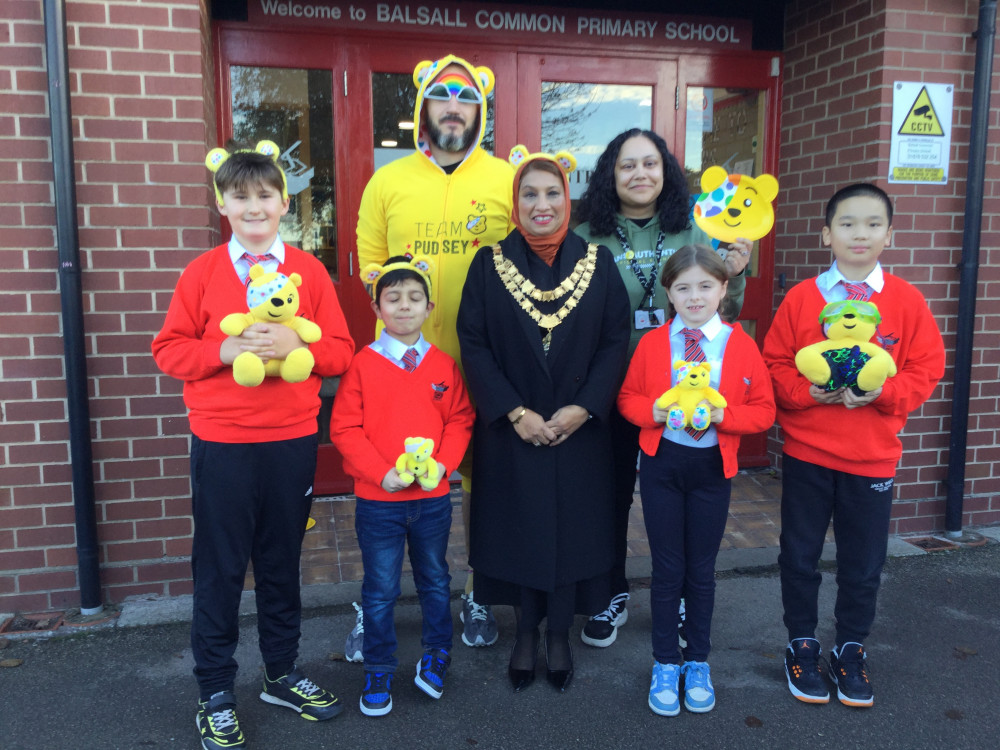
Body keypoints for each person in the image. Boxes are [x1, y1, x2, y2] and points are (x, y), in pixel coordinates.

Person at [152, 142, 355, 750]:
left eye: (265, 195)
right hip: (223, 443)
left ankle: (282, 673)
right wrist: (223, 350)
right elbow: (168, 349)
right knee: (218, 568)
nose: (253, 206)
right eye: (239, 196)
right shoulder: (203, 273)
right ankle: (215, 690)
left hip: (291, 441)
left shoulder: (310, 274)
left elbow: (341, 351)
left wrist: (298, 341)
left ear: (284, 202)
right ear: (222, 203)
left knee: (279, 563)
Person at [354, 53, 514, 652]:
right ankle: (373, 607)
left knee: (478, 482)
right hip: (403, 364)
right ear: (423, 106)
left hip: (481, 362)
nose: (453, 106)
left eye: (466, 97)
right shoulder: (387, 181)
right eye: (443, 94)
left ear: (480, 110)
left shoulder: (503, 179)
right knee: (387, 484)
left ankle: (476, 594)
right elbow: (371, 266)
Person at [762, 183, 944, 708]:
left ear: (889, 234)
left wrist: (884, 394)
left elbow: (926, 368)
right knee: (799, 556)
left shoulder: (906, 301)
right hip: (807, 455)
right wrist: (804, 392)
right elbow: (775, 362)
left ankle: (850, 648)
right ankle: (801, 643)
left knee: (863, 563)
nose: (858, 233)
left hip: (872, 458)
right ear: (826, 234)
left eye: (871, 224)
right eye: (846, 223)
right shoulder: (803, 299)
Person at [456, 146, 630, 693]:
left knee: (571, 532)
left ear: (567, 198)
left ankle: (559, 633)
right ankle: (524, 632)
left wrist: (585, 407)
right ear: (515, 202)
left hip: (579, 429)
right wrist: (514, 411)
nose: (541, 204)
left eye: (552, 192)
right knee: (522, 530)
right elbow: (475, 345)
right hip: (516, 428)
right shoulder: (488, 265)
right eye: (529, 194)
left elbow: (614, 342)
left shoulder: (598, 264)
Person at [574, 129, 752, 647]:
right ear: (611, 173)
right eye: (627, 165)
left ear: (666, 171)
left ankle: (674, 602)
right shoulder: (587, 235)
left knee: (670, 502)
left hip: (681, 394)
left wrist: (735, 274)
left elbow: (725, 309)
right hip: (610, 388)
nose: (639, 174)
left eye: (650, 163)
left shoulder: (694, 229)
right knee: (608, 498)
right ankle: (611, 593)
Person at [617, 244, 775, 716]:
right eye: (682, 288)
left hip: (711, 470)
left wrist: (726, 417)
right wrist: (653, 411)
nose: (694, 297)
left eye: (705, 286)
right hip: (664, 465)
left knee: (700, 569)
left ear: (724, 288)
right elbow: (627, 398)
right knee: (667, 568)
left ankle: (698, 662)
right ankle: (666, 660)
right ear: (668, 292)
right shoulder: (652, 344)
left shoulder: (739, 344)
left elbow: (764, 410)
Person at [329, 255, 474, 717]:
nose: (404, 306)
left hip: (431, 500)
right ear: (377, 308)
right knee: (380, 589)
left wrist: (442, 465)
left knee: (435, 580)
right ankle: (378, 666)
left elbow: (460, 419)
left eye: (414, 298)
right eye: (393, 298)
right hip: (379, 502)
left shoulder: (443, 367)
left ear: (429, 306)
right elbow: (344, 430)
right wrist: (380, 472)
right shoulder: (361, 366)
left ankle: (437, 654)